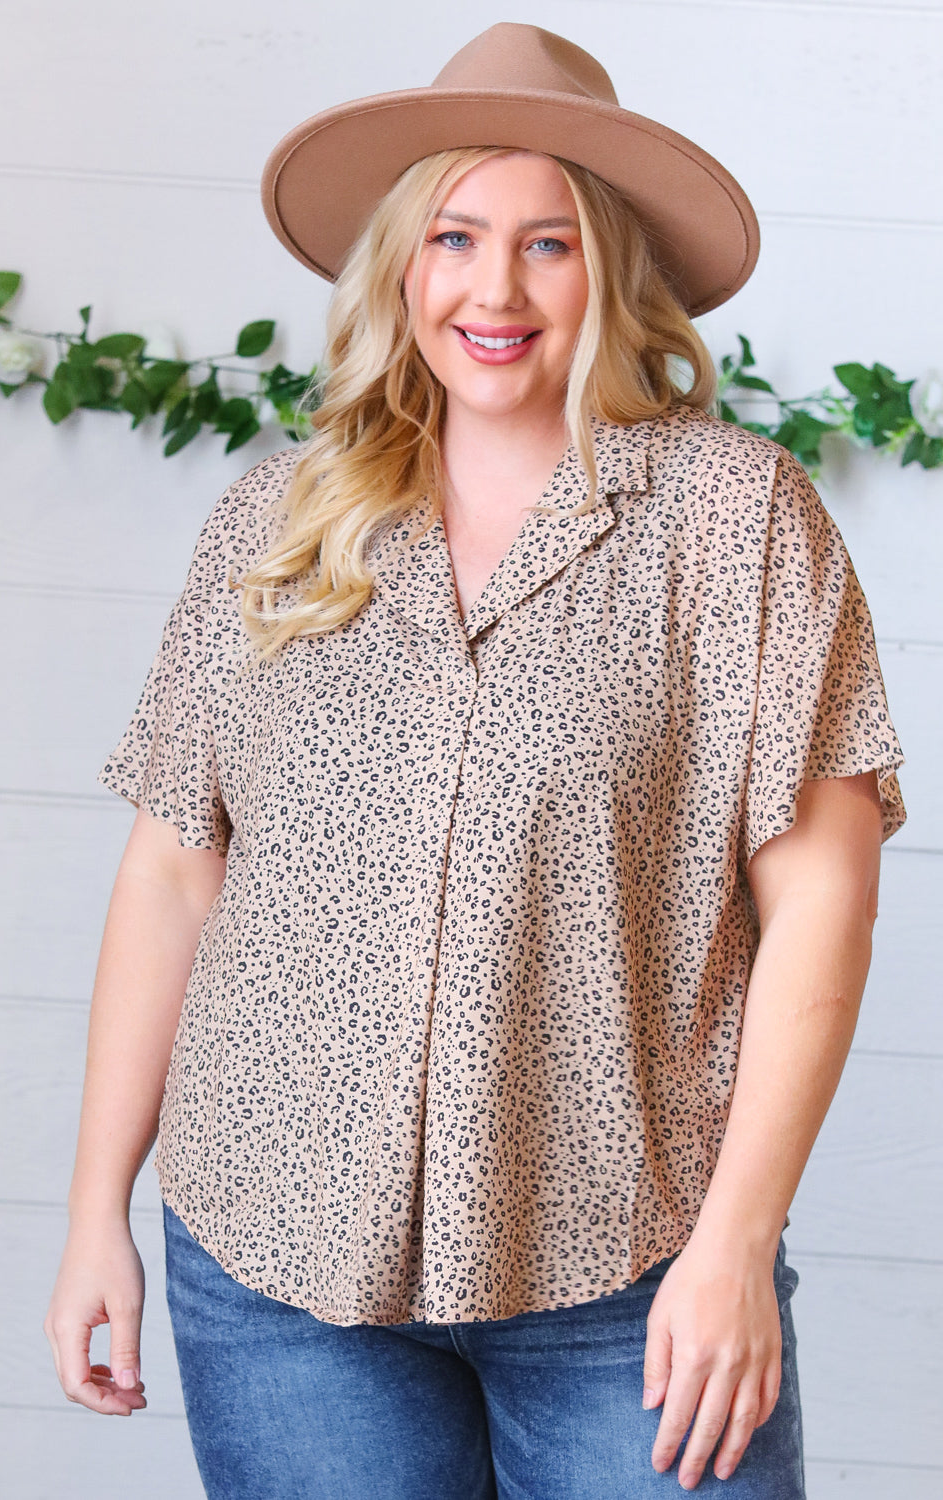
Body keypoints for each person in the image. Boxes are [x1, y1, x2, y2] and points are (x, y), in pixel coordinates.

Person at [44, 23, 906, 1499]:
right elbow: (175, 875)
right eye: (454, 236)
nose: (493, 290)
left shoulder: (738, 521)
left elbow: (824, 899)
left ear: (611, 273)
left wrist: (739, 1241)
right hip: (277, 1268)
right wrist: (92, 1213)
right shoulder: (277, 521)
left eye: (547, 244)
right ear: (400, 266)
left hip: (635, 1272)